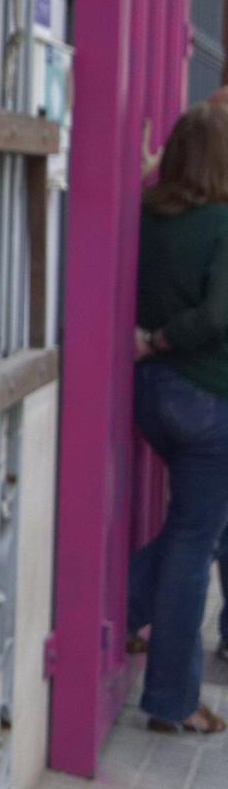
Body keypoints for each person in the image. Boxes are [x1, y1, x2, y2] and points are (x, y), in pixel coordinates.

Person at [127, 101, 228, 735]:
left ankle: (114, 613)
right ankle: (172, 701)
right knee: (195, 540)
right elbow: (219, 316)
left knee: (189, 532)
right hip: (208, 399)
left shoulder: (147, 215)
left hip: (151, 397)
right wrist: (167, 337)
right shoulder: (223, 224)